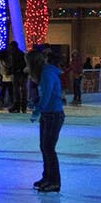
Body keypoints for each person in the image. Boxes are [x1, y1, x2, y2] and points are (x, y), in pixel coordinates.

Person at [33, 45, 65, 192]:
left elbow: (47, 95)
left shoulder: (47, 74)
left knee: (49, 148)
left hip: (53, 114)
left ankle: (54, 181)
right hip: (49, 114)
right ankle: (47, 177)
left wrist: (37, 110)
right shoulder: (46, 73)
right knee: (44, 147)